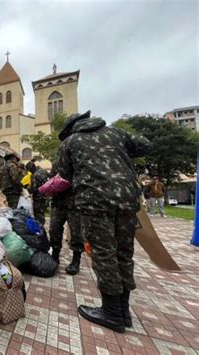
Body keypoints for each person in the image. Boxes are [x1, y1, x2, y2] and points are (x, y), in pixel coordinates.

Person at [57, 111, 150, 333]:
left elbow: (64, 175)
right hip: (128, 200)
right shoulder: (116, 133)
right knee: (124, 253)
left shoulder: (70, 142)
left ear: (72, 128)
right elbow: (145, 144)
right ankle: (124, 312)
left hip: (95, 203)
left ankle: (112, 313)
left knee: (104, 254)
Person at [47, 162, 84, 275]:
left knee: (76, 232)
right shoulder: (58, 162)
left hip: (74, 204)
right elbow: (51, 179)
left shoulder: (79, 161)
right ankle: (55, 256)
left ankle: (76, 261)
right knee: (54, 230)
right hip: (58, 202)